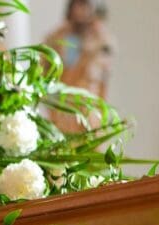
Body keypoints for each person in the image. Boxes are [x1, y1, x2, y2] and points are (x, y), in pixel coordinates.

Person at [45, 0, 115, 132]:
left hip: (88, 99)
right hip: (63, 99)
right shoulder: (57, 36)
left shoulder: (98, 38)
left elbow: (104, 69)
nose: (81, 11)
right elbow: (46, 66)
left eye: (85, 6)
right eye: (78, 5)